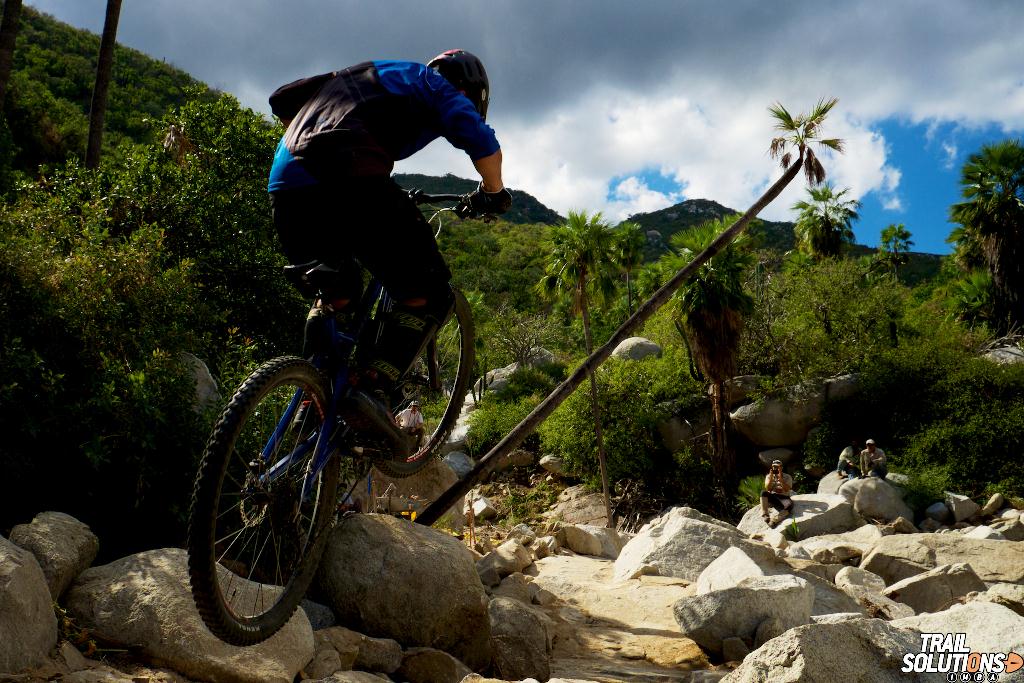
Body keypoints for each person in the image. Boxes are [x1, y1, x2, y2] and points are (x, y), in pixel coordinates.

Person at [266, 50, 513, 456]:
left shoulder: (355, 75)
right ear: (468, 89)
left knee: (337, 291)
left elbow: (281, 99)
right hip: (351, 174)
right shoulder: (430, 82)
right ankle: (371, 390)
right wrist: (493, 194)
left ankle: (311, 390)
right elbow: (483, 142)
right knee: (430, 292)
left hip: (287, 188)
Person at [760, 460, 794, 527]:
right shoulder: (769, 476)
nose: (776, 468)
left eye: (777, 467)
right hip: (774, 496)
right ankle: (765, 515)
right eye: (774, 467)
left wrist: (781, 479)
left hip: (784, 497)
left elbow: (787, 489)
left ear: (781, 467)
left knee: (790, 506)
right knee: (763, 492)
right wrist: (771, 477)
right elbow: (768, 488)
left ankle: (774, 521)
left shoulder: (788, 477)